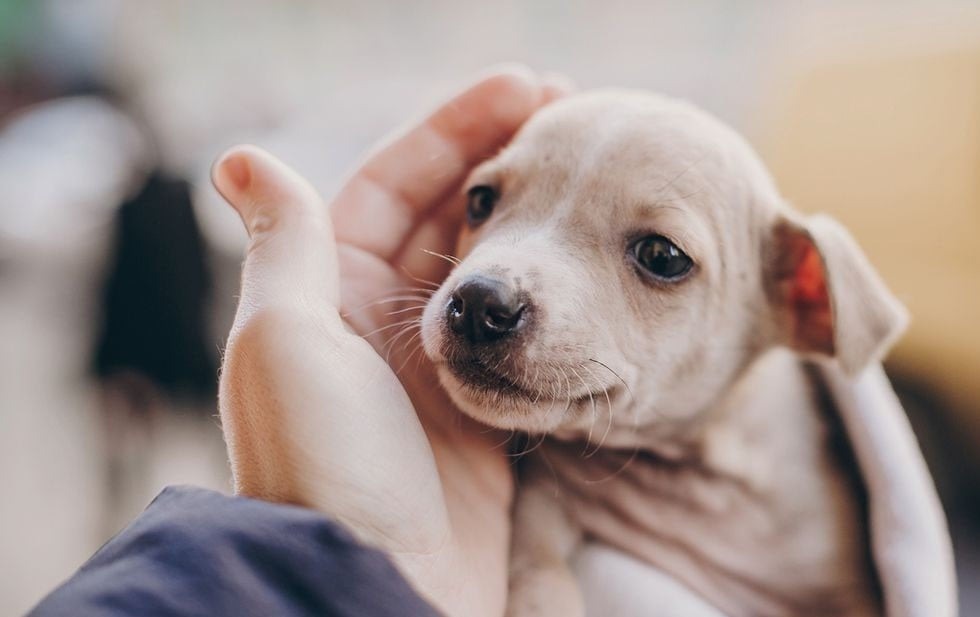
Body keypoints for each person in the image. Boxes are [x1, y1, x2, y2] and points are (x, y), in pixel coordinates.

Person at [30, 66, 570, 617]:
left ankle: (115, 505)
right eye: (481, 203)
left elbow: (140, 286)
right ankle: (116, 503)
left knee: (142, 446)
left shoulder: (149, 200)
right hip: (157, 354)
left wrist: (313, 556)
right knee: (151, 446)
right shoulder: (160, 199)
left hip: (144, 355)